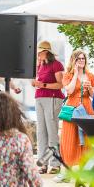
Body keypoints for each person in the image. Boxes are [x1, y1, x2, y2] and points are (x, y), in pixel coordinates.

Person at [59, 50, 94, 178]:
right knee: (69, 138)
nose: (81, 60)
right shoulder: (67, 75)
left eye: (83, 58)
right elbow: (68, 91)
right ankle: (67, 171)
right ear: (73, 60)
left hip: (86, 108)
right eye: (78, 59)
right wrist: (75, 74)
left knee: (86, 140)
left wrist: (90, 88)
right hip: (71, 109)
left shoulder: (90, 75)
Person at [31, 40, 64, 174]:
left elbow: (60, 84)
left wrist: (42, 85)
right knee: (41, 132)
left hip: (52, 98)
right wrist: (36, 84)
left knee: (52, 132)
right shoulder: (40, 65)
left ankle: (55, 163)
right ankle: (42, 163)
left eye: (40, 53)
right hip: (39, 98)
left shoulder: (56, 64)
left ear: (46, 52)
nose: (38, 55)